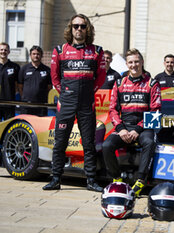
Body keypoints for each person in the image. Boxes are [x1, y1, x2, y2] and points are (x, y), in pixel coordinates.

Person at [43, 14, 106, 192]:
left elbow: (100, 78)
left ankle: (91, 180)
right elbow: (54, 77)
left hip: (87, 103)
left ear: (88, 29)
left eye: (83, 26)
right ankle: (55, 178)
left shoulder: (97, 51)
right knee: (60, 141)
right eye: (76, 26)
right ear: (70, 28)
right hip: (66, 103)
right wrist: (65, 95)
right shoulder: (60, 50)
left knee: (88, 143)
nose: (79, 29)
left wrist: (88, 93)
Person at [102, 48, 161, 197]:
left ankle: (141, 181)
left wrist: (138, 130)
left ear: (141, 62)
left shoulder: (152, 84)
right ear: (127, 64)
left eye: (136, 61)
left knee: (149, 142)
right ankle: (117, 178)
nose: (134, 65)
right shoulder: (119, 83)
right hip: (125, 125)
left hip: (144, 126)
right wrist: (121, 129)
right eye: (130, 62)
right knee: (106, 145)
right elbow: (113, 110)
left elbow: (155, 112)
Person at [18, 45, 52, 116]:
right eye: (34, 54)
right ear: (30, 55)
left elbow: (49, 87)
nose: (36, 56)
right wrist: (25, 97)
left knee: (40, 126)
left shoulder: (47, 70)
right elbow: (20, 86)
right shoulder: (24, 69)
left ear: (41, 55)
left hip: (41, 105)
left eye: (38, 54)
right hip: (26, 105)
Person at [0, 42, 20, 120]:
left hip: (9, 103)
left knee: (8, 129)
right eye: (1, 49)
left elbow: (18, 85)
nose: (3, 52)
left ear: (9, 52)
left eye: (5, 50)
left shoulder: (15, 67)